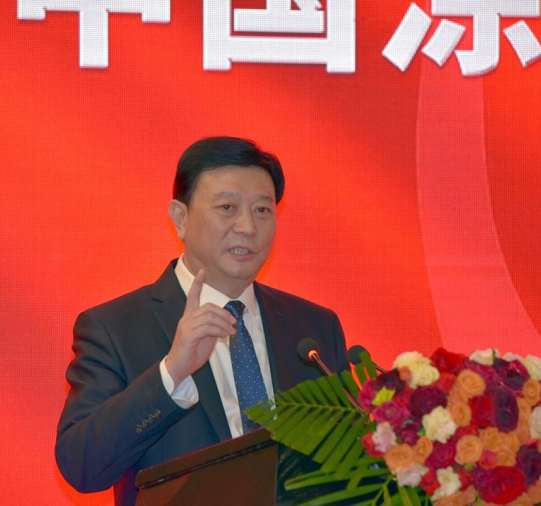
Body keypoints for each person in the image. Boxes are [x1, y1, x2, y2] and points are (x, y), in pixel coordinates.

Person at [55, 136, 349, 505]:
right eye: (227, 207)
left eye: (262, 210)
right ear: (180, 218)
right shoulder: (115, 328)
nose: (247, 226)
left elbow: (351, 461)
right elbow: (82, 466)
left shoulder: (313, 329)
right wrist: (171, 373)